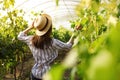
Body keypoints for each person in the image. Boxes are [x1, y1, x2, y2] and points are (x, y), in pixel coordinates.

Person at [18, 13, 77, 80]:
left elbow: (20, 36)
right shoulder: (53, 42)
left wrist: (31, 27)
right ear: (49, 29)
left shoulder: (31, 40)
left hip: (35, 73)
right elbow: (68, 46)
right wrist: (74, 33)